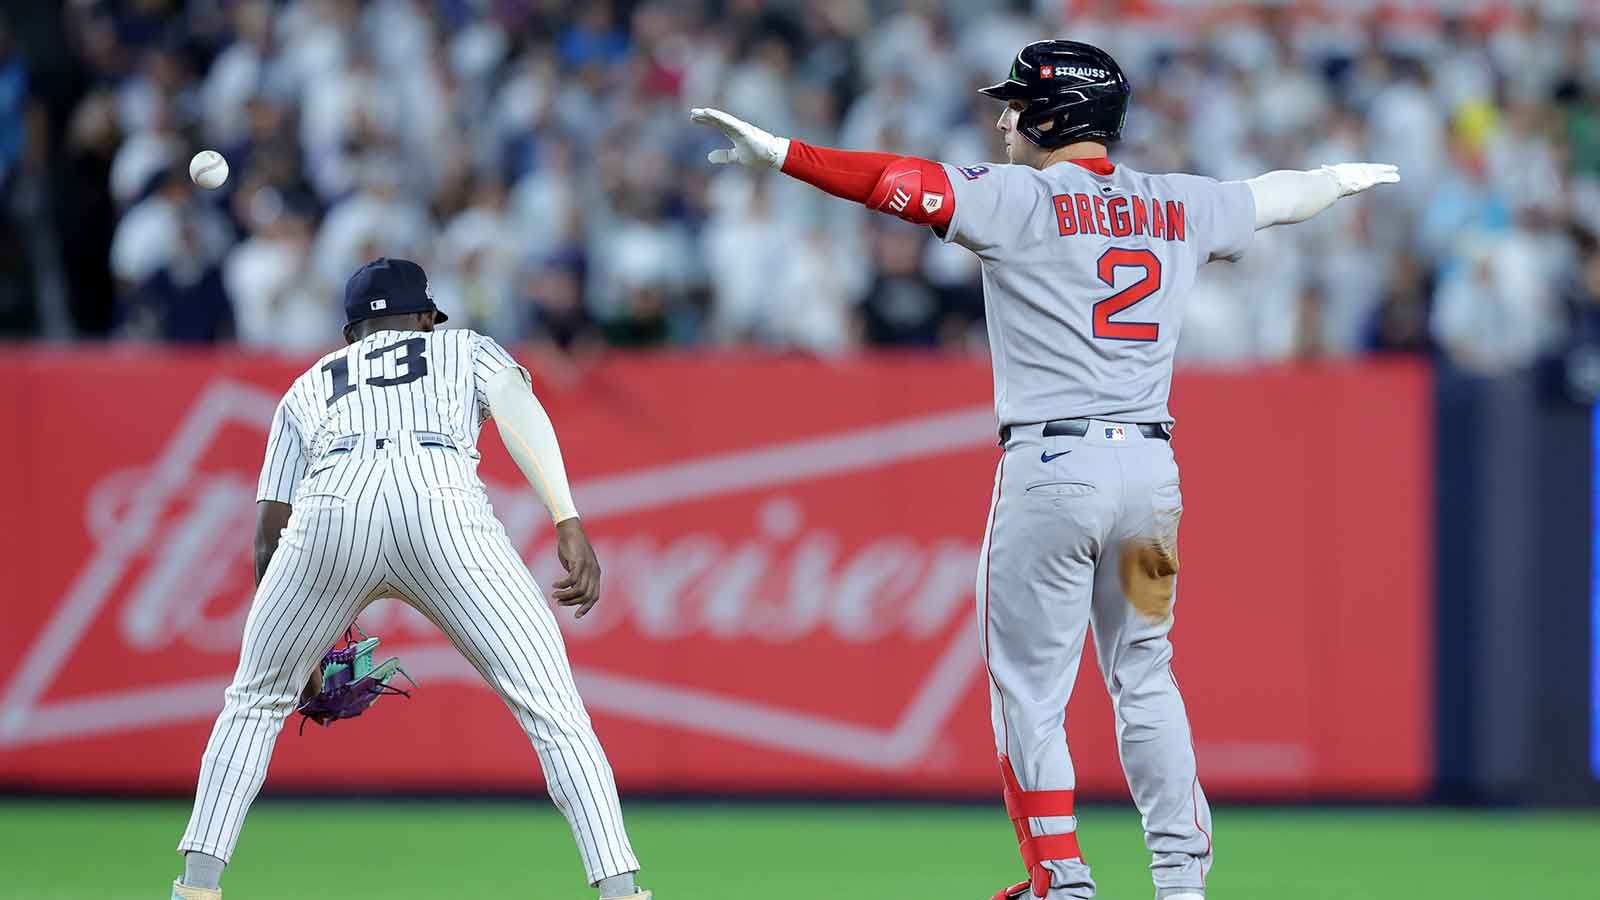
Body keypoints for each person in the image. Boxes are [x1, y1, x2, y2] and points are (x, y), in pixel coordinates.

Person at [691, 39, 1397, 900]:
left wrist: (782, 154)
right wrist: (1344, 175)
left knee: (1030, 688)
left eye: (1018, 103)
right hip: (1149, 483)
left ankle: (1061, 879)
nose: (1004, 118)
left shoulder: (1019, 198)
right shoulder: (1178, 201)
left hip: (1053, 473)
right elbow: (1280, 197)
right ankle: (1181, 881)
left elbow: (892, 182)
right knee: (1145, 669)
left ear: (1057, 116)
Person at [171, 257, 649, 900]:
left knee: (254, 704)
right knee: (555, 713)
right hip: (442, 504)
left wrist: (299, 639)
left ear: (350, 336)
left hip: (329, 508)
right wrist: (565, 517)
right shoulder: (461, 347)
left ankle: (197, 886)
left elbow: (268, 535)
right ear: (426, 318)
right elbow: (517, 405)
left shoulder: (308, 384)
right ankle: (620, 891)